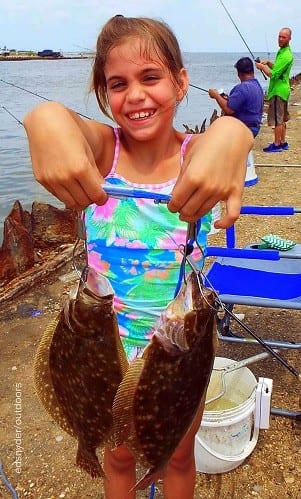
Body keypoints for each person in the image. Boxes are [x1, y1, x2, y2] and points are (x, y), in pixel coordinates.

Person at [23, 15, 253, 499]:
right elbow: (60, 123)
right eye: (118, 84)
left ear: (181, 81)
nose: (136, 95)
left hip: (181, 353)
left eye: (151, 77)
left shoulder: (199, 157)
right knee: (118, 457)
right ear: (106, 97)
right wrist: (42, 122)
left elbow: (230, 139)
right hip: (105, 350)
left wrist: (233, 134)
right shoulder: (104, 151)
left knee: (179, 454)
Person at [209, 56, 264, 186]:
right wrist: (228, 98)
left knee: (213, 139)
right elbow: (236, 104)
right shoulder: (257, 86)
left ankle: (225, 175)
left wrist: (216, 95)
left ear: (238, 72)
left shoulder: (242, 88)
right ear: (252, 70)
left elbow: (228, 109)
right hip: (254, 128)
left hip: (243, 130)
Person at [256, 27, 294, 152]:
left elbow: (273, 75)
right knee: (282, 118)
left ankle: (276, 144)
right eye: (279, 36)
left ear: (289, 38)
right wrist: (268, 63)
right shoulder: (283, 52)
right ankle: (282, 142)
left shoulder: (286, 55)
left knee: (278, 119)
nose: (281, 39)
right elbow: (278, 69)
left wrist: (261, 67)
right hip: (283, 89)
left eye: (284, 37)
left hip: (278, 91)